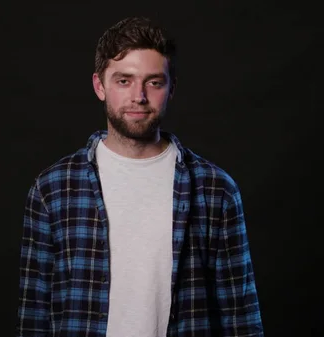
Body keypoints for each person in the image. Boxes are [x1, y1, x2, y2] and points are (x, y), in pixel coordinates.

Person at [16, 16, 264, 337]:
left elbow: (240, 316)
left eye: (154, 82)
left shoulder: (216, 189)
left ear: (171, 88)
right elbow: (33, 316)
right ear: (99, 86)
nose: (139, 96)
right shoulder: (52, 189)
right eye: (124, 81)